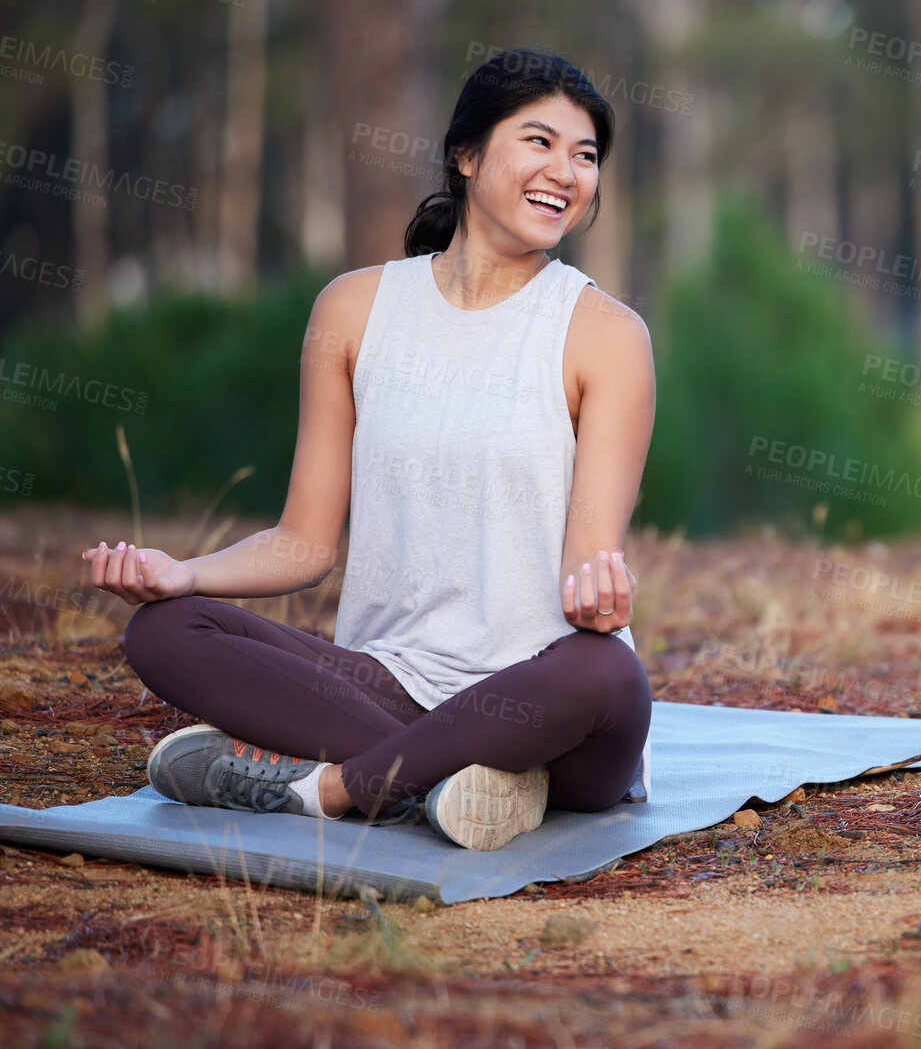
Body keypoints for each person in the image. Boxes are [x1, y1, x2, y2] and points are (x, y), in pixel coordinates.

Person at [81, 48, 656, 851]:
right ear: (465, 153)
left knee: (605, 671)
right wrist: (186, 573)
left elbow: (587, 562)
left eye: (585, 155)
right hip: (393, 687)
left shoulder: (606, 335)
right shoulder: (353, 310)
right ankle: (460, 781)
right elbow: (303, 543)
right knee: (165, 632)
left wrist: (602, 599)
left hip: (549, 705)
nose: (565, 171)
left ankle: (335, 788)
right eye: (539, 142)